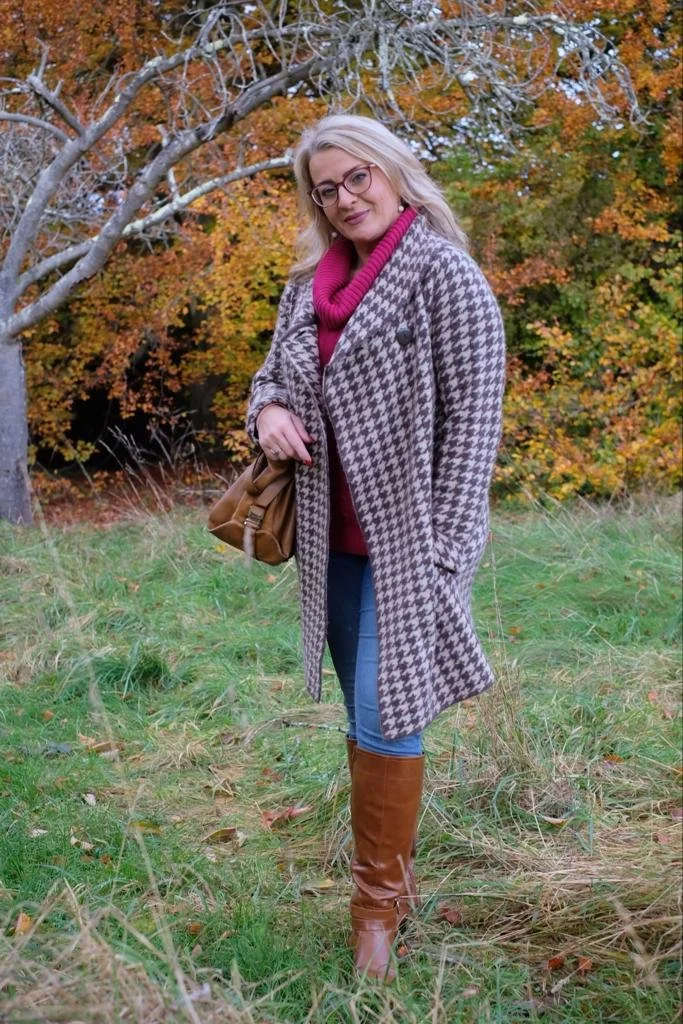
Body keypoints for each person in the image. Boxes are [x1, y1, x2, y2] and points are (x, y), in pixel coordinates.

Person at [245, 114, 506, 980]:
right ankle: (393, 884)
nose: (345, 198)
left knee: (388, 714)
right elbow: (273, 375)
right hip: (329, 540)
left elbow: (473, 428)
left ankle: (375, 918)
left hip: (408, 545)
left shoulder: (446, 277)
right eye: (326, 188)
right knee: (366, 719)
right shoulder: (306, 286)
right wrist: (267, 411)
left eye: (357, 177)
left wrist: (445, 557)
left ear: (394, 173)